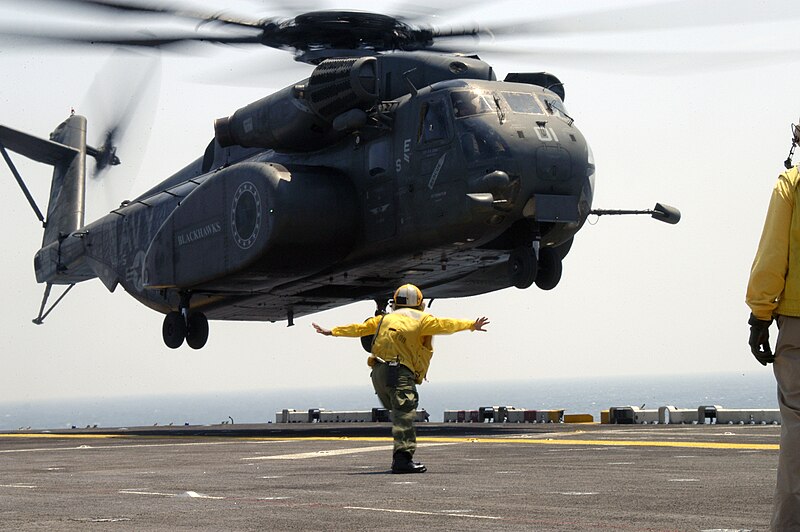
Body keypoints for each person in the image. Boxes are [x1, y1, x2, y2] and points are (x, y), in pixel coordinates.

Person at [312, 283, 489, 474]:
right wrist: (472, 325)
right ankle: (402, 460)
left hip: (378, 373)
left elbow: (360, 328)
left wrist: (332, 331)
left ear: (395, 302)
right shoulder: (423, 319)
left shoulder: (384, 319)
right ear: (419, 303)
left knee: (398, 412)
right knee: (405, 414)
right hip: (398, 372)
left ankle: (401, 457)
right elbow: (447, 325)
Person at [746, 165, 800, 529]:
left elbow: (772, 254)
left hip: (797, 322)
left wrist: (760, 315)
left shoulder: (792, 184)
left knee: (797, 423)